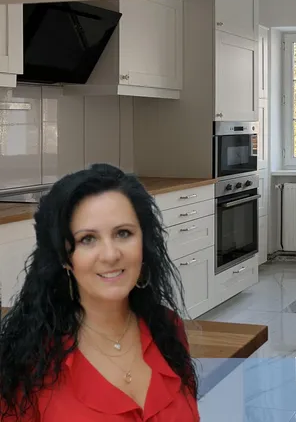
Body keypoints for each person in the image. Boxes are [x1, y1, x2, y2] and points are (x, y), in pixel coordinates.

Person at [0, 164, 200, 421]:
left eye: (123, 233)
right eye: (87, 239)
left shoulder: (168, 328)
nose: (110, 255)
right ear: (63, 257)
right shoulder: (27, 361)